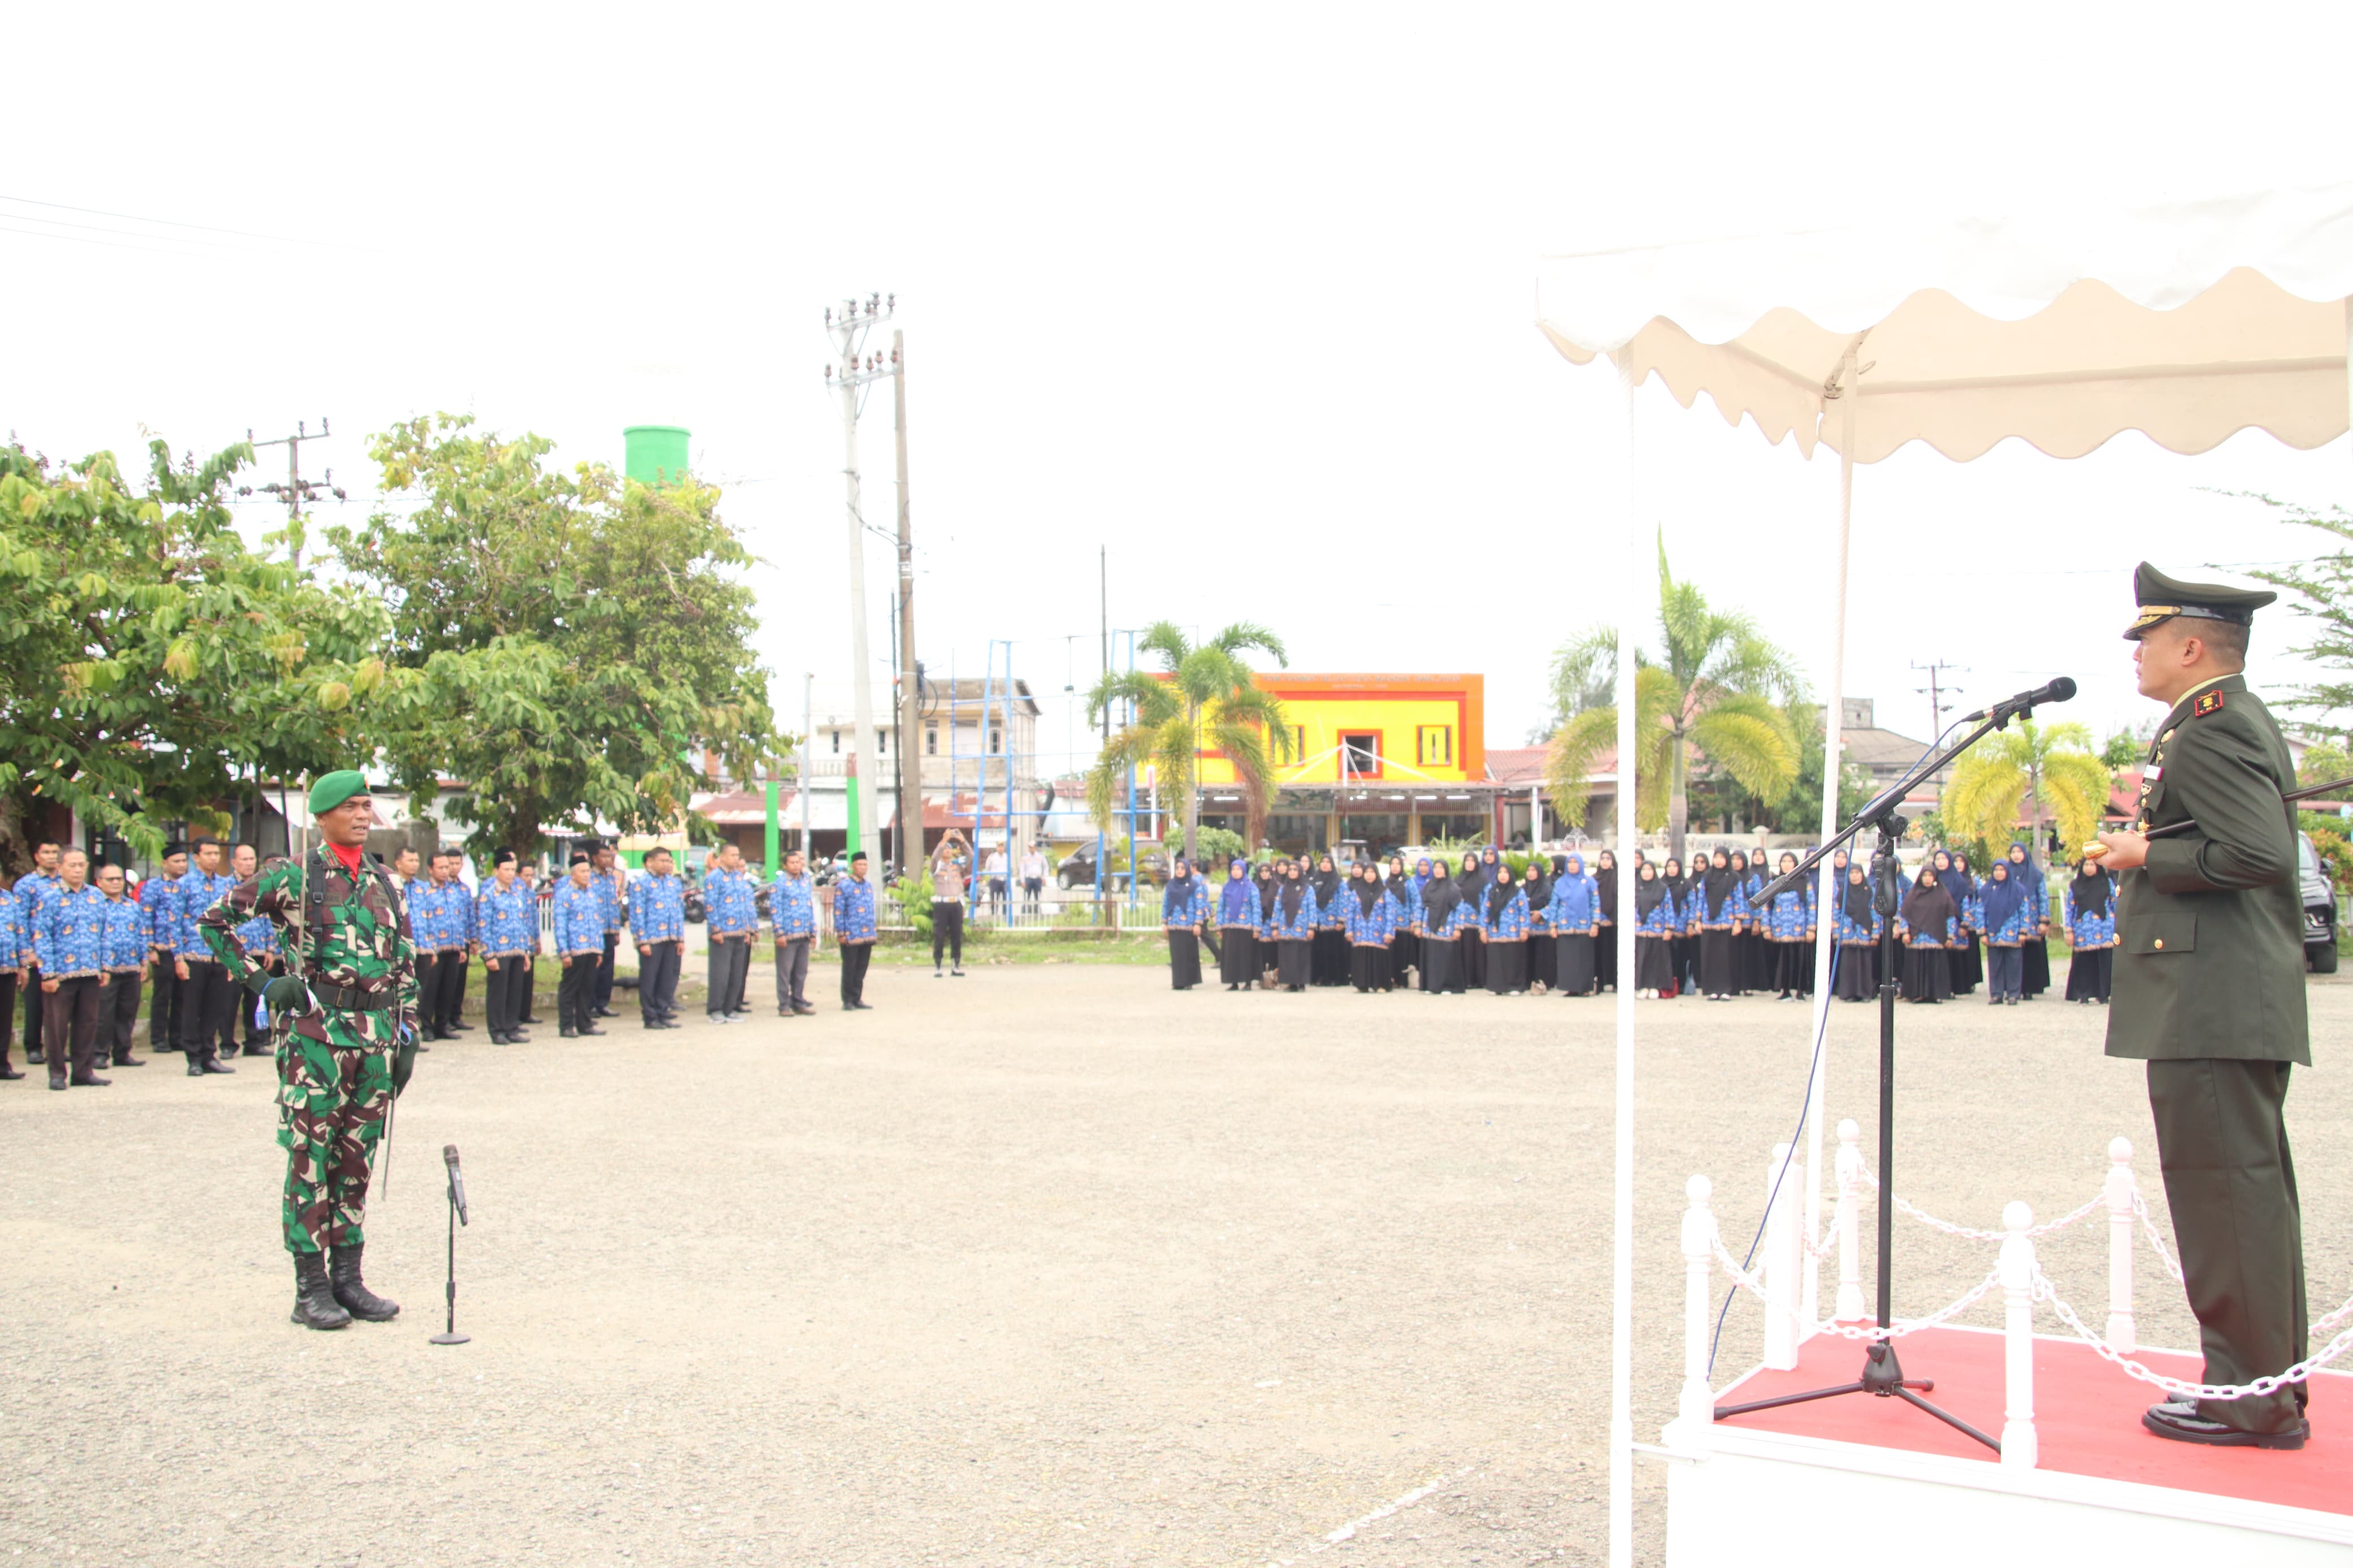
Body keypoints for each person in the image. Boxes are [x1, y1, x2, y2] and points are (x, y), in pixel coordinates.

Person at [2095, 562, 2309, 1449]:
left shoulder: (2211, 730)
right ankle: (2267, 1384)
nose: (2136, 653)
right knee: (2244, 1194)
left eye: (2147, 637)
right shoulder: (2217, 721)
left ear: (2190, 647)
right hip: (2223, 995)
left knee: (2226, 1198)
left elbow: (2259, 854)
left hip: (2212, 998)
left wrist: (2145, 856)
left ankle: (2249, 1398)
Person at [199, 771, 417, 1332]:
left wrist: (408, 1034)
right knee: (310, 1161)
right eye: (351, 807)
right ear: (321, 816)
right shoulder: (292, 875)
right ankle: (310, 1287)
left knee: (356, 1161)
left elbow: (404, 963)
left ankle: (348, 1279)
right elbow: (215, 923)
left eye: (367, 805)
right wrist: (262, 982)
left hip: (374, 1040)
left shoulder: (386, 880)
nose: (363, 815)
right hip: (316, 1039)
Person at [35, 848, 110, 1088]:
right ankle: (58, 1073)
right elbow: (42, 936)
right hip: (61, 973)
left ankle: (83, 1072)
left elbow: (104, 933)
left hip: (90, 969)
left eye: (81, 865)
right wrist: (48, 973)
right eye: (72, 865)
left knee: (88, 1023)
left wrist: (105, 967)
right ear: (60, 868)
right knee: (57, 1025)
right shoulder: (49, 897)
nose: (78, 870)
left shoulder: (96, 896)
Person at [171, 839, 240, 1075]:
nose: (213, 858)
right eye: (208, 854)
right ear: (196, 857)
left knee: (215, 1008)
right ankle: (193, 1057)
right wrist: (178, 957)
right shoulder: (184, 885)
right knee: (192, 1008)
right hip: (194, 954)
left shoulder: (225, 885)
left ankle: (209, 1055)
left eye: (216, 853)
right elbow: (174, 922)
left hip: (219, 955)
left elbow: (230, 921)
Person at [409, 850, 475, 1041]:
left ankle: (443, 1025)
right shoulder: (424, 891)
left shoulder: (455, 891)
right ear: (430, 869)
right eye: (441, 867)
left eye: (447, 867)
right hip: (435, 948)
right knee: (430, 989)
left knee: (449, 989)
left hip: (454, 946)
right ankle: (426, 1026)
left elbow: (461, 918)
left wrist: (462, 946)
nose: (445, 871)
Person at [475, 849, 538, 1046]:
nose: (510, 874)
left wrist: (526, 952)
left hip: (517, 949)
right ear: (496, 871)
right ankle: (497, 1030)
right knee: (498, 992)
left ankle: (512, 1028)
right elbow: (484, 926)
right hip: (498, 951)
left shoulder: (518, 894)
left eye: (512, 870)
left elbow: (523, 923)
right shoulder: (489, 895)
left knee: (515, 991)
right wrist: (488, 955)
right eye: (506, 870)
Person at [94, 862, 149, 1069]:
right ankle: (99, 1053)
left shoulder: (132, 906)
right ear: (99, 882)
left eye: (119, 879)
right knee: (104, 1013)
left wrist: (144, 962)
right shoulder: (96, 906)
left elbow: (142, 934)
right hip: (106, 969)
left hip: (131, 966)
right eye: (110, 879)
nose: (116, 883)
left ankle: (123, 1052)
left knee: (127, 1013)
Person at [226, 844, 278, 1058]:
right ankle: (227, 1044)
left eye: (251, 859)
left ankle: (255, 1041)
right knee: (229, 1000)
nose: (248, 863)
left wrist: (270, 948)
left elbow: (268, 917)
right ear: (234, 862)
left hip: (258, 951)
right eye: (244, 859)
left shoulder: (261, 885)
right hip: (235, 952)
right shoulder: (226, 886)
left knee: (256, 999)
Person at [630, 847, 688, 1028]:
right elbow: (637, 913)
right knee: (650, 978)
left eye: (669, 861)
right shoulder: (641, 884)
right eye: (662, 861)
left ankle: (663, 1012)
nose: (667, 864)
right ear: (650, 862)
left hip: (671, 937)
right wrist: (642, 941)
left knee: (666, 978)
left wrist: (680, 938)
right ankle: (650, 1016)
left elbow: (678, 912)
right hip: (652, 939)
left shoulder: (673, 884)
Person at [15, 840, 61, 1064]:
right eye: (47, 852)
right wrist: (27, 952)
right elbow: (20, 920)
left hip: (63, 954)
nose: (51, 856)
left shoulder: (65, 882)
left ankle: (58, 1048)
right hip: (37, 953)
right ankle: (33, 1047)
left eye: (55, 852)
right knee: (35, 1004)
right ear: (37, 856)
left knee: (61, 1005)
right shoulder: (26, 885)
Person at [703, 843, 759, 1022]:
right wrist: (715, 929)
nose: (736, 859)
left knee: (736, 973)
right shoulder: (714, 878)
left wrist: (749, 929)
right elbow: (710, 905)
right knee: (721, 973)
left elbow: (746, 905)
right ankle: (716, 1010)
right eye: (732, 855)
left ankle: (729, 1008)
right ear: (722, 857)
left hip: (739, 933)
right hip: (723, 933)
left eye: (737, 855)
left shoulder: (738, 878)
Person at [551, 855, 606, 1038]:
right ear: (573, 874)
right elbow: (560, 924)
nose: (586, 875)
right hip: (574, 948)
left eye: (588, 871)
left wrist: (599, 949)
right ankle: (566, 1025)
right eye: (582, 871)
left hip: (591, 947)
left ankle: (585, 1023)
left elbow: (598, 922)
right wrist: (564, 951)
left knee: (587, 987)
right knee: (570, 987)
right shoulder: (565, 894)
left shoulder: (592, 893)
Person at [140, 843, 187, 1051]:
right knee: (162, 994)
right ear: (165, 864)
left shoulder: (188, 885)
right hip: (163, 947)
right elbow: (146, 917)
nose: (181, 865)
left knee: (182, 995)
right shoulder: (153, 886)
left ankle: (177, 1037)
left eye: (184, 861)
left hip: (184, 949)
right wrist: (150, 948)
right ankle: (158, 1038)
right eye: (176, 861)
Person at [1977, 859, 2036, 1004]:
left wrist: (2023, 932)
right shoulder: (1986, 891)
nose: (1999, 873)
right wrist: (1982, 933)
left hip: (2013, 934)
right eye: (1996, 870)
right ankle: (1996, 994)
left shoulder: (2019, 890)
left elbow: (2025, 912)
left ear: (2007, 872)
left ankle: (2013, 994)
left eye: (2002, 870)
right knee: (1995, 966)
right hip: (1993, 935)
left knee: (2014, 965)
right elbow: (1980, 912)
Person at [1759, 851, 1815, 1000]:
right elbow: (1766, 906)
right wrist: (1766, 927)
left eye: (1790, 861)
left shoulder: (1804, 881)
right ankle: (1785, 991)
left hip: (1799, 927)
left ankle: (1800, 991)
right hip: (1780, 927)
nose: (1787, 864)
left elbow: (1811, 906)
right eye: (1784, 861)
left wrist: (1811, 928)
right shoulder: (1774, 883)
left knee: (1800, 960)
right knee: (1783, 960)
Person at [2062, 857, 2118, 1004]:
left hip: (2104, 930)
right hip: (2083, 930)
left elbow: (2115, 904)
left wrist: (2118, 925)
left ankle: (2104, 994)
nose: (2089, 868)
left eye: (2092, 865)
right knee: (2085, 963)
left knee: (2104, 962)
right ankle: (2084, 993)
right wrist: (2069, 930)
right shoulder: (2075, 885)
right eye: (2086, 865)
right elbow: (2070, 909)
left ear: (2098, 867)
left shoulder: (2107, 883)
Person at [1897, 865, 1956, 1003]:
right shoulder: (1913, 895)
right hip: (1916, 937)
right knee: (1916, 964)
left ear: (1935, 878)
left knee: (1934, 965)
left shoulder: (1943, 895)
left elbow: (1951, 916)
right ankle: (1916, 993)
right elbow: (1904, 915)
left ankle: (1935, 994)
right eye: (1925, 876)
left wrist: (1950, 936)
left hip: (1936, 937)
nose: (1928, 879)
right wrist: (1905, 932)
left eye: (1930, 876)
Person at [770, 849, 818, 1016]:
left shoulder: (805, 881)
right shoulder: (780, 884)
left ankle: (798, 1001)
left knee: (801, 971)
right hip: (788, 934)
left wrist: (813, 931)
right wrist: (779, 933)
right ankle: (784, 1005)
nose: (796, 866)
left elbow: (809, 907)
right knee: (785, 972)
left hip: (804, 933)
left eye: (798, 862)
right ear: (785, 866)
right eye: (792, 863)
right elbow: (775, 909)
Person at [2005, 841, 2053, 999]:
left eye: (2019, 852)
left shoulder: (2036, 875)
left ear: (2025, 854)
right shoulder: (2006, 873)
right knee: (2012, 956)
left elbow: (2043, 898)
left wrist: (2044, 921)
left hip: (2033, 920)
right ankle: (2012, 988)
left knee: (2030, 956)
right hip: (2011, 921)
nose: (2016, 855)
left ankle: (2029, 988)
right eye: (2013, 852)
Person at [1548, 852, 1598, 996]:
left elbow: (1595, 903)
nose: (1572, 866)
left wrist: (1595, 923)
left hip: (1585, 927)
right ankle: (1570, 987)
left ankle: (1584, 988)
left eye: (1576, 863)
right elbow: (1554, 904)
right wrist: (1553, 925)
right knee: (1567, 958)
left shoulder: (1589, 882)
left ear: (1581, 864)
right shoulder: (1560, 883)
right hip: (1565, 926)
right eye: (1570, 863)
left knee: (1584, 958)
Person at [589, 840, 628, 1019]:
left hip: (610, 929)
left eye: (610, 857)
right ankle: (590, 1004)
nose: (607, 860)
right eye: (603, 857)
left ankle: (603, 1003)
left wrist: (617, 929)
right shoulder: (590, 878)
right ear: (595, 858)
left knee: (608, 968)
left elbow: (614, 905)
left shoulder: (612, 878)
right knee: (593, 968)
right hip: (595, 930)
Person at [1695, 850, 1740, 1001]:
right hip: (1709, 921)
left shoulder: (1734, 877)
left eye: (1722, 857)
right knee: (1710, 957)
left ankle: (1726, 990)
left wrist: (1738, 921)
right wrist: (1698, 920)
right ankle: (1713, 990)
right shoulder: (1707, 876)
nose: (1719, 861)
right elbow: (1701, 898)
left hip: (1727, 921)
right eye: (1716, 857)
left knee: (1725, 957)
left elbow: (1738, 899)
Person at [1832, 861, 1881, 1001]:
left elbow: (1875, 912)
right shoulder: (1843, 893)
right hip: (1848, 931)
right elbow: (1837, 912)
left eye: (1857, 873)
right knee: (1848, 963)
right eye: (1852, 873)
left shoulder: (1870, 891)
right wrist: (1837, 931)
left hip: (1864, 931)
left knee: (1865, 963)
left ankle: (1865, 993)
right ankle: (1849, 993)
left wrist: (1875, 933)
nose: (1854, 876)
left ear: (1862, 874)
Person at [835, 851, 878, 1009]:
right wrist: (841, 932)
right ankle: (847, 1000)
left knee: (861, 968)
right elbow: (839, 911)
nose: (862, 868)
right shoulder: (844, 886)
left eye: (865, 865)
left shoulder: (868, 886)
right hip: (851, 934)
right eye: (859, 864)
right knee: (850, 968)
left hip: (867, 935)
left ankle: (857, 997)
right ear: (853, 866)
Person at [1344, 862, 1393, 993]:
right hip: (1360, 930)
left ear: (1377, 874)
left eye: (1372, 872)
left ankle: (1380, 985)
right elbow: (1350, 912)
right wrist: (1349, 930)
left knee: (1378, 958)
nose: (1369, 875)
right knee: (1361, 957)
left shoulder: (1384, 892)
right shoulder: (1357, 891)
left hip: (1379, 931)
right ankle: (1362, 985)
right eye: (1367, 872)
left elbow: (1390, 913)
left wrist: (1389, 932)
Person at [1417, 856, 1464, 994]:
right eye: (1436, 868)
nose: (1438, 870)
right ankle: (1431, 986)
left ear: (1446, 870)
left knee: (1446, 958)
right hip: (1429, 927)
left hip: (1447, 927)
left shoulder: (1453, 888)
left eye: (1441, 868)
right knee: (1431, 957)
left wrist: (1458, 928)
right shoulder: (1428, 887)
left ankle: (1447, 986)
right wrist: (1418, 926)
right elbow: (1420, 906)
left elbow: (1459, 908)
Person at [1482, 862, 1529, 995]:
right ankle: (1496, 986)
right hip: (1495, 932)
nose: (1503, 875)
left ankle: (1514, 986)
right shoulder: (1491, 891)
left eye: (1506, 873)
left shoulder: (1518, 892)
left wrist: (1524, 929)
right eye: (1500, 873)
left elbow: (1524, 911)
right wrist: (1483, 930)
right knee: (1495, 960)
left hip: (1513, 932)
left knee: (1512, 960)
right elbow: (1485, 911)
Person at [1270, 859, 1317, 992]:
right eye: (1290, 870)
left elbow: (1312, 909)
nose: (1292, 872)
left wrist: (1311, 927)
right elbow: (1277, 908)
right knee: (1287, 956)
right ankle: (1290, 983)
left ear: (1300, 872)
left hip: (1301, 926)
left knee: (1301, 955)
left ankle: (1301, 983)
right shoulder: (1283, 889)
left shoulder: (1308, 889)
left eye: (1295, 870)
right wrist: (1275, 927)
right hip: (1285, 927)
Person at [1633, 861, 1678, 998]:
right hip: (1640, 930)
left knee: (1657, 960)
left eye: (1649, 870)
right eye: (1644, 870)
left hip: (1658, 930)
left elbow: (1668, 908)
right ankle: (1644, 987)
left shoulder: (1662, 888)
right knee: (1642, 959)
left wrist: (1669, 928)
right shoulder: (1635, 887)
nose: (1646, 873)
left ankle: (1656, 987)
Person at [1162, 856, 1206, 990]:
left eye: (1182, 868)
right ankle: (1178, 982)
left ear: (1187, 870)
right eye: (1178, 868)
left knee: (1189, 954)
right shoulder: (1171, 885)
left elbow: (1200, 905)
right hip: (1174, 924)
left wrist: (1198, 923)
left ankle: (1189, 981)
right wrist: (1165, 922)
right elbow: (1166, 904)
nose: (1180, 871)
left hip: (1189, 925)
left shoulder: (1194, 886)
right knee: (1177, 954)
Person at [930, 831, 970, 977]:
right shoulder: (937, 866)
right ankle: (938, 966)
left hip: (956, 904)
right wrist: (944, 840)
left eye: (949, 848)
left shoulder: (956, 865)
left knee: (957, 936)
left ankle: (956, 965)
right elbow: (934, 858)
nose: (947, 851)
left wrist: (963, 841)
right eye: (945, 849)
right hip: (942, 905)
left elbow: (971, 857)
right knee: (939, 936)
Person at [1217, 858, 1260, 991]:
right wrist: (1220, 925)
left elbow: (1256, 907)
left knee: (1246, 955)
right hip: (1229, 926)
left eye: (1238, 869)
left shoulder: (1251, 887)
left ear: (1244, 871)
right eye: (1233, 869)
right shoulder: (1227, 887)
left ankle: (1248, 982)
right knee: (1231, 955)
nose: (1235, 872)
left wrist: (1256, 927)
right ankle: (1233, 982)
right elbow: (1221, 906)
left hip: (1246, 926)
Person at [0, 871, 24, 1079]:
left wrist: (23, 965)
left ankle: (2, 1064)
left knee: (4, 1018)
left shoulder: (9, 899)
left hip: (7, 968)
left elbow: (20, 933)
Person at [1309, 854, 1347, 986]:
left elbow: (1343, 901)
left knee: (1333, 952)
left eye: (1328, 862)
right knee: (1319, 951)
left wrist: (1341, 920)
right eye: (1323, 862)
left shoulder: (1339, 883)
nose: (1325, 864)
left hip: (1334, 924)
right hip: (1319, 923)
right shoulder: (1314, 882)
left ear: (1332, 865)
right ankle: (1319, 977)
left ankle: (1335, 978)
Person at [1387, 856, 1421, 988]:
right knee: (1390, 954)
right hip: (1390, 927)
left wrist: (1415, 920)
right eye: (1393, 864)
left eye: (1398, 864)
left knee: (1403, 954)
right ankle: (1391, 979)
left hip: (1405, 925)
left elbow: (1416, 901)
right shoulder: (1385, 883)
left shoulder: (1409, 883)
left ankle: (1403, 981)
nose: (1395, 866)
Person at [1455, 853, 1488, 988]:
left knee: (1479, 953)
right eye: (1467, 861)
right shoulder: (1458, 880)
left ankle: (1480, 980)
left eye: (1472, 861)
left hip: (1478, 922)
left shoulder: (1483, 881)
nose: (1469, 863)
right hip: (1463, 922)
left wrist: (1484, 923)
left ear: (1476, 863)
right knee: (1465, 951)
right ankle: (1466, 980)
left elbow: (1487, 902)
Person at [1520, 857, 1553, 995]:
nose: (1531, 873)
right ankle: (1527, 982)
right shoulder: (1522, 889)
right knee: (1527, 956)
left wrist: (1541, 913)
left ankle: (1545, 982)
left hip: (1542, 928)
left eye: (1534, 870)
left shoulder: (1547, 888)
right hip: (1527, 928)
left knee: (1542, 956)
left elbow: (1553, 904)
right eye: (1529, 870)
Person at [1592, 849, 1618, 993]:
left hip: (1614, 923)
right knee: (1599, 954)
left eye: (1608, 858)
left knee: (1614, 953)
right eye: (1603, 858)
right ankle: (1600, 983)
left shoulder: (1618, 878)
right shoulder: (1594, 879)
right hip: (1598, 923)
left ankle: (1615, 982)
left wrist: (1613, 919)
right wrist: (1597, 920)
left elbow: (1619, 900)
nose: (1605, 861)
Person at [1253, 859, 1282, 989]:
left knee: (1273, 950)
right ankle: (1262, 978)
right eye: (1262, 871)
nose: (1264, 873)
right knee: (1261, 951)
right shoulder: (1254, 887)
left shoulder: (1278, 886)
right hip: (1259, 922)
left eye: (1267, 871)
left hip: (1273, 922)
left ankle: (1274, 977)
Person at [1019, 842, 1047, 916]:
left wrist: (1044, 877)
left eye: (1032, 847)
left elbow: (1045, 867)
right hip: (1029, 878)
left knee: (1037, 896)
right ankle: (1024, 912)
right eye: (1030, 847)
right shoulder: (1025, 857)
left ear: (1035, 848)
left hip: (1037, 879)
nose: (1031, 849)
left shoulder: (1040, 856)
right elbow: (1022, 869)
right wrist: (1023, 881)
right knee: (1026, 896)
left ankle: (1037, 912)